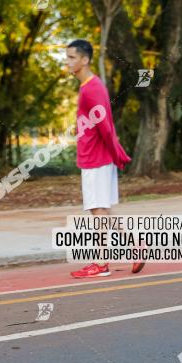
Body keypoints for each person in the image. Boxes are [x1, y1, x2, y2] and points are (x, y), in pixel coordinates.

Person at [64, 40, 144, 278]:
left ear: (85, 59)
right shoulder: (89, 86)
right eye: (66, 57)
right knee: (102, 210)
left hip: (96, 159)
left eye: (71, 57)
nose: (67, 62)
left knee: (98, 210)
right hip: (95, 157)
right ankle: (135, 246)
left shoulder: (92, 88)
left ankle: (101, 262)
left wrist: (118, 154)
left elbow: (106, 128)